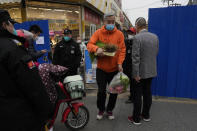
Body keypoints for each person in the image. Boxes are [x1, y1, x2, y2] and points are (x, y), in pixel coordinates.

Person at [0, 9, 53, 130]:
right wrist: (47, 110)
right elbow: (33, 85)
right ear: (4, 25)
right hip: (19, 116)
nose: (13, 27)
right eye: (12, 24)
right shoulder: (12, 49)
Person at [87, 12, 126, 120]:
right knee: (101, 91)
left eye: (113, 22)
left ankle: (109, 110)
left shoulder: (119, 34)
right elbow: (89, 44)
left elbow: (122, 50)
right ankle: (101, 109)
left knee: (114, 91)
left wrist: (120, 63)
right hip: (101, 69)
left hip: (114, 69)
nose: (111, 24)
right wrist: (96, 49)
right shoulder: (98, 33)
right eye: (109, 22)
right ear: (104, 22)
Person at [128, 17, 159, 125]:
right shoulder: (155, 37)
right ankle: (146, 115)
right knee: (147, 93)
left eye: (135, 26)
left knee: (137, 95)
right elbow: (156, 52)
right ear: (145, 25)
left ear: (137, 26)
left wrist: (135, 74)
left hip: (140, 72)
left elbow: (135, 57)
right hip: (151, 70)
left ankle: (136, 118)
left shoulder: (137, 37)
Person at [123, 27, 136, 104]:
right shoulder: (125, 41)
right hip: (126, 66)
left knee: (133, 83)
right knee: (128, 81)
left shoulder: (136, 42)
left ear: (134, 34)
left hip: (133, 66)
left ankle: (132, 98)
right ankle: (132, 95)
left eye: (131, 33)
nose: (129, 34)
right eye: (129, 33)